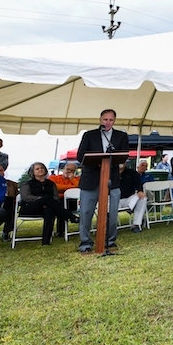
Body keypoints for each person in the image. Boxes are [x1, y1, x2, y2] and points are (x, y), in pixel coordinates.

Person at [77, 108, 129, 254]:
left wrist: (108, 161)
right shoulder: (89, 135)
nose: (108, 122)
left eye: (111, 120)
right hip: (91, 179)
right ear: (100, 120)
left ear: (114, 121)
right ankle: (85, 243)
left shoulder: (121, 136)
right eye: (105, 119)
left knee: (112, 212)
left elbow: (124, 155)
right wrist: (98, 161)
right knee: (86, 212)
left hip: (111, 179)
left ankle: (110, 241)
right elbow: (81, 155)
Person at [18, 161, 79, 245]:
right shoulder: (27, 184)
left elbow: (56, 198)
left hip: (46, 207)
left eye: (42, 168)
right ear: (33, 172)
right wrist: (41, 200)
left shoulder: (50, 184)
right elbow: (26, 197)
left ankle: (46, 241)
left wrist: (46, 203)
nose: (40, 169)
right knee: (47, 198)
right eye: (37, 169)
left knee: (50, 210)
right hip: (30, 207)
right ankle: (70, 217)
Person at [118, 162, 149, 232]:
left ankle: (136, 225)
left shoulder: (132, 172)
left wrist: (140, 191)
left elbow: (138, 185)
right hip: (114, 200)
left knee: (143, 198)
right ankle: (108, 227)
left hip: (128, 199)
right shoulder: (109, 172)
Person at [0, 164, 19, 242]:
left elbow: (17, 195)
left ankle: (6, 231)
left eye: (1, 170)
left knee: (10, 203)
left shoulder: (12, 184)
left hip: (8, 205)